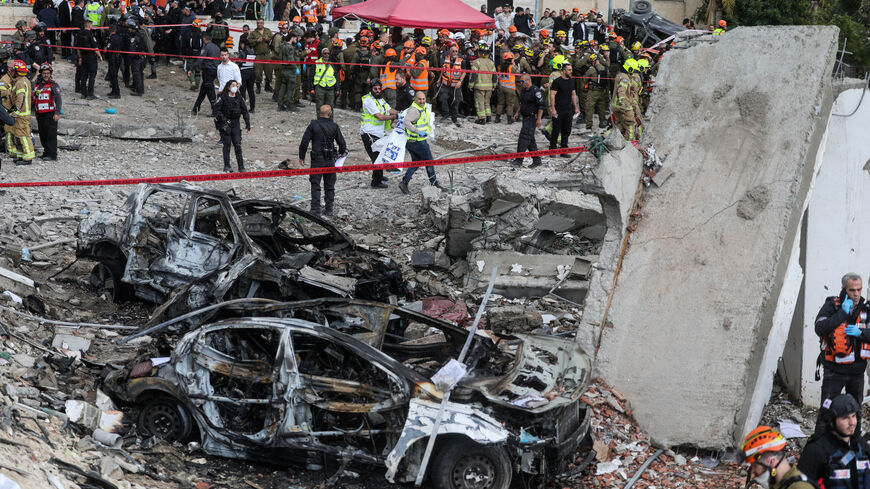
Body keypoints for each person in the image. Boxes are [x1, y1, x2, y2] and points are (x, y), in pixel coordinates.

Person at [813, 272, 870, 435]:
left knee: (856, 411)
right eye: (852, 290)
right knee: (826, 409)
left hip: (857, 373)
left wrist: (860, 333)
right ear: (844, 289)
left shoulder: (866, 308)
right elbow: (820, 328)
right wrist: (842, 314)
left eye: (859, 289)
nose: (857, 294)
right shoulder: (832, 306)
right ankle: (819, 447)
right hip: (834, 372)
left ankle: (855, 447)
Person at [798, 394, 870, 488]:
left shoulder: (862, 446)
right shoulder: (815, 451)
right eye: (845, 418)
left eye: (853, 416)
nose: (852, 422)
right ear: (831, 422)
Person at [299, 104, 346, 216]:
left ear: (319, 113)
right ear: (330, 114)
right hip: (330, 159)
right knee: (329, 184)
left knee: (315, 184)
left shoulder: (313, 125)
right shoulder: (334, 126)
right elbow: (342, 142)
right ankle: (329, 208)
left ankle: (315, 209)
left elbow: (304, 141)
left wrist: (302, 156)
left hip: (317, 159)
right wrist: (342, 152)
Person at [741, 426, 815, 489]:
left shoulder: (799, 487)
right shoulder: (782, 484)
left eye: (754, 465)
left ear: (771, 461)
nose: (753, 475)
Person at [398, 91, 440, 194]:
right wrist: (418, 131)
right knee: (429, 162)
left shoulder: (422, 108)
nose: (422, 101)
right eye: (420, 99)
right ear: (415, 99)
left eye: (423, 99)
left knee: (416, 162)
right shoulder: (415, 110)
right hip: (418, 142)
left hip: (412, 141)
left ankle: (404, 182)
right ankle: (434, 183)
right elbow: (406, 122)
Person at [360, 80, 397, 189]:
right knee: (377, 157)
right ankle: (376, 182)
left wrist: (402, 113)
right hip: (369, 133)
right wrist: (394, 117)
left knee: (379, 155)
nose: (377, 91)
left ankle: (379, 176)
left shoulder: (381, 100)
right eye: (375, 89)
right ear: (371, 89)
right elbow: (379, 117)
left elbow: (390, 110)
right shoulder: (368, 100)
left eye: (379, 89)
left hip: (378, 133)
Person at [213, 79, 250, 173]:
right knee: (227, 144)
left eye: (236, 85)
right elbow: (216, 111)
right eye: (233, 85)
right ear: (228, 87)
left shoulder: (239, 97)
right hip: (225, 124)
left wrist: (247, 124)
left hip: (236, 123)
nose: (235, 87)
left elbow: (245, 111)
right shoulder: (223, 97)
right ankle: (227, 166)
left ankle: (241, 167)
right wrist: (224, 119)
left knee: (237, 144)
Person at [511, 74, 544, 169]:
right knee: (530, 140)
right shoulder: (523, 91)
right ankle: (537, 161)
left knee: (524, 138)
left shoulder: (535, 91)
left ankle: (519, 160)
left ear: (528, 80)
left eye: (522, 81)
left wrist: (539, 119)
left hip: (532, 118)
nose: (521, 83)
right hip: (525, 117)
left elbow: (541, 106)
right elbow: (522, 103)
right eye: (520, 82)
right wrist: (517, 112)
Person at [6, 60, 34, 165]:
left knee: (23, 136)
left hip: (21, 115)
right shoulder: (22, 80)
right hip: (21, 115)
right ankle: (21, 156)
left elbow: (20, 99)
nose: (11, 72)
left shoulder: (20, 82)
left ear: (17, 71)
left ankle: (28, 158)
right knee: (18, 135)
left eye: (13, 70)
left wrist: (16, 111)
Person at [548, 61, 579, 155]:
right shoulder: (557, 82)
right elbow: (552, 95)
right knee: (556, 130)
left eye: (571, 70)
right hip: (558, 109)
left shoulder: (571, 81)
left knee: (567, 130)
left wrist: (576, 108)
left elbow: (573, 95)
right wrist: (553, 109)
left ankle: (563, 149)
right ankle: (552, 149)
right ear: (564, 71)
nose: (571, 71)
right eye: (569, 70)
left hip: (568, 109)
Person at [33, 63, 61, 162]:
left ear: (50, 74)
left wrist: (57, 113)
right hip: (40, 114)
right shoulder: (37, 86)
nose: (46, 75)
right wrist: (36, 113)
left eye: (48, 73)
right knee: (43, 134)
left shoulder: (53, 85)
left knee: (51, 135)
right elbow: (35, 100)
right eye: (44, 73)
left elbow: (58, 100)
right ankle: (46, 152)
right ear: (41, 73)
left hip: (50, 114)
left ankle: (52, 155)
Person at [191, 33, 220, 114]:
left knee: (210, 91)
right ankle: (196, 108)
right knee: (203, 90)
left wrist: (192, 68)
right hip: (214, 70)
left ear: (204, 38)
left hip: (208, 70)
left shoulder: (206, 47)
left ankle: (215, 110)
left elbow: (200, 59)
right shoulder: (216, 47)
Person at [436, 43, 464, 126]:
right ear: (450, 52)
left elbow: (464, 72)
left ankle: (454, 117)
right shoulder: (445, 59)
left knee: (456, 100)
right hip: (445, 83)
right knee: (443, 99)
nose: (455, 53)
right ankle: (445, 114)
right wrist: (439, 79)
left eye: (456, 51)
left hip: (456, 84)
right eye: (453, 51)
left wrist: (460, 81)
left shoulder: (461, 60)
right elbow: (443, 70)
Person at [75, 20, 101, 100]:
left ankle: (83, 93)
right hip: (91, 57)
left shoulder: (79, 34)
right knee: (92, 75)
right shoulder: (90, 35)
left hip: (83, 56)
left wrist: (80, 57)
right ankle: (90, 94)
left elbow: (78, 48)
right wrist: (100, 56)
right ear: (90, 26)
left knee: (83, 76)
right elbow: (95, 47)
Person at [469, 44, 496, 124]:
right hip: (489, 87)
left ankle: (481, 119)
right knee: (487, 102)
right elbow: (495, 75)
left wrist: (471, 85)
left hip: (479, 86)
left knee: (479, 102)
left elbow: (474, 75)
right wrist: (494, 85)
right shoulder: (491, 63)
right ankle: (488, 117)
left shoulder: (476, 62)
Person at [612, 58, 637, 141]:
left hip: (616, 105)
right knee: (630, 124)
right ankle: (629, 144)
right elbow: (621, 91)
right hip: (622, 105)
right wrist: (626, 105)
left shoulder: (619, 74)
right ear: (630, 69)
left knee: (619, 126)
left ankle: (608, 138)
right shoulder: (625, 78)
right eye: (633, 70)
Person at [583, 53, 609, 131]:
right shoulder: (605, 68)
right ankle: (602, 124)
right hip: (603, 91)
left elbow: (584, 78)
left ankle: (589, 125)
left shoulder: (592, 69)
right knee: (602, 108)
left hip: (593, 91)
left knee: (589, 108)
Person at [248, 19, 272, 93]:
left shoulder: (268, 31)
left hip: (267, 54)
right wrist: (256, 41)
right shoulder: (253, 33)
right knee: (258, 72)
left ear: (263, 23)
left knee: (269, 71)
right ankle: (258, 87)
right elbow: (249, 42)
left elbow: (272, 39)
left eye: (261, 23)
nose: (259, 24)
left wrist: (268, 39)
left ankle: (267, 86)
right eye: (258, 23)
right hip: (258, 55)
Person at [312, 47, 337, 116]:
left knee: (330, 107)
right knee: (319, 107)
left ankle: (330, 122)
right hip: (320, 88)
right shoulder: (316, 63)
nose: (327, 55)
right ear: (322, 54)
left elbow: (336, 77)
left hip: (330, 88)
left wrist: (337, 88)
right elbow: (311, 76)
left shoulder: (332, 64)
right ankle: (320, 121)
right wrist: (311, 88)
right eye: (325, 53)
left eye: (328, 53)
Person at [237, 37, 256, 111]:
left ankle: (243, 107)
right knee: (251, 90)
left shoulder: (242, 52)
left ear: (242, 44)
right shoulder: (252, 51)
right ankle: (252, 107)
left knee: (243, 91)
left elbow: (238, 62)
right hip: (252, 71)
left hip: (244, 72)